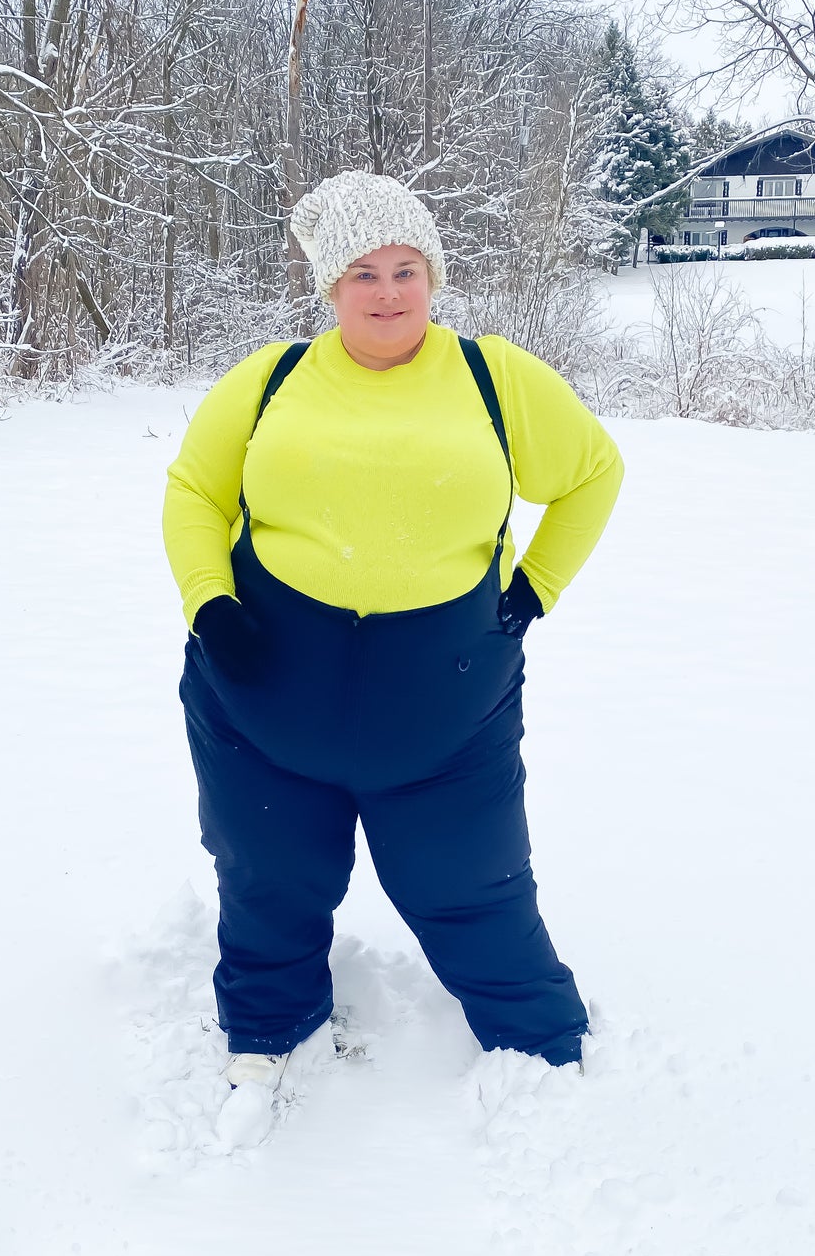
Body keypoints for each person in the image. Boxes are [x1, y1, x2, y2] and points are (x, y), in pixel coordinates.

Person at [162, 171, 623, 1089]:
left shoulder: (493, 377)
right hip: (265, 694)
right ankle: (267, 1034)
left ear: (433, 276)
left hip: (445, 703)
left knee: (474, 883)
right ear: (330, 285)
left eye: (406, 269)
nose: (386, 292)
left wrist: (536, 588)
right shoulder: (272, 380)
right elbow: (194, 492)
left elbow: (593, 473)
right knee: (268, 875)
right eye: (363, 272)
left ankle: (540, 1052)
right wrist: (211, 604)